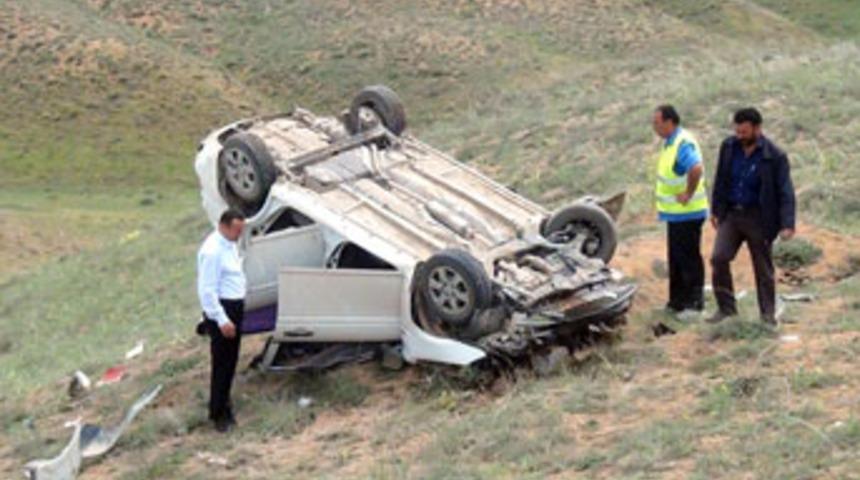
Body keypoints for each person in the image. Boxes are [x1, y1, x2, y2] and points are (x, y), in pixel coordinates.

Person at [707, 107, 796, 326]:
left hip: (759, 218)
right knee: (719, 258)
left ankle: (767, 316)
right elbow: (721, 179)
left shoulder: (775, 156)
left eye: (744, 132)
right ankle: (726, 309)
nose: (740, 136)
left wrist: (787, 224)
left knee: (763, 269)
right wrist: (717, 210)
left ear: (757, 129)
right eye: (737, 131)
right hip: (732, 214)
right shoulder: (728, 147)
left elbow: (785, 191)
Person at [652, 105, 709, 315]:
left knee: (688, 258)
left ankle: (694, 303)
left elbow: (695, 167)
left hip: (688, 212)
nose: (654, 127)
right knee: (676, 258)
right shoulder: (670, 143)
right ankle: (676, 302)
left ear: (669, 122)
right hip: (675, 214)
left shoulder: (682, 142)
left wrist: (688, 193)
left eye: (657, 123)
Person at [197, 208, 247, 432]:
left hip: (234, 305)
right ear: (225, 226)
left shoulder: (229, 245)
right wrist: (222, 320)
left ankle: (224, 403)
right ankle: (218, 414)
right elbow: (207, 290)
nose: (239, 235)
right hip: (223, 310)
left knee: (231, 361)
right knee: (222, 362)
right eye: (236, 230)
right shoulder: (213, 252)